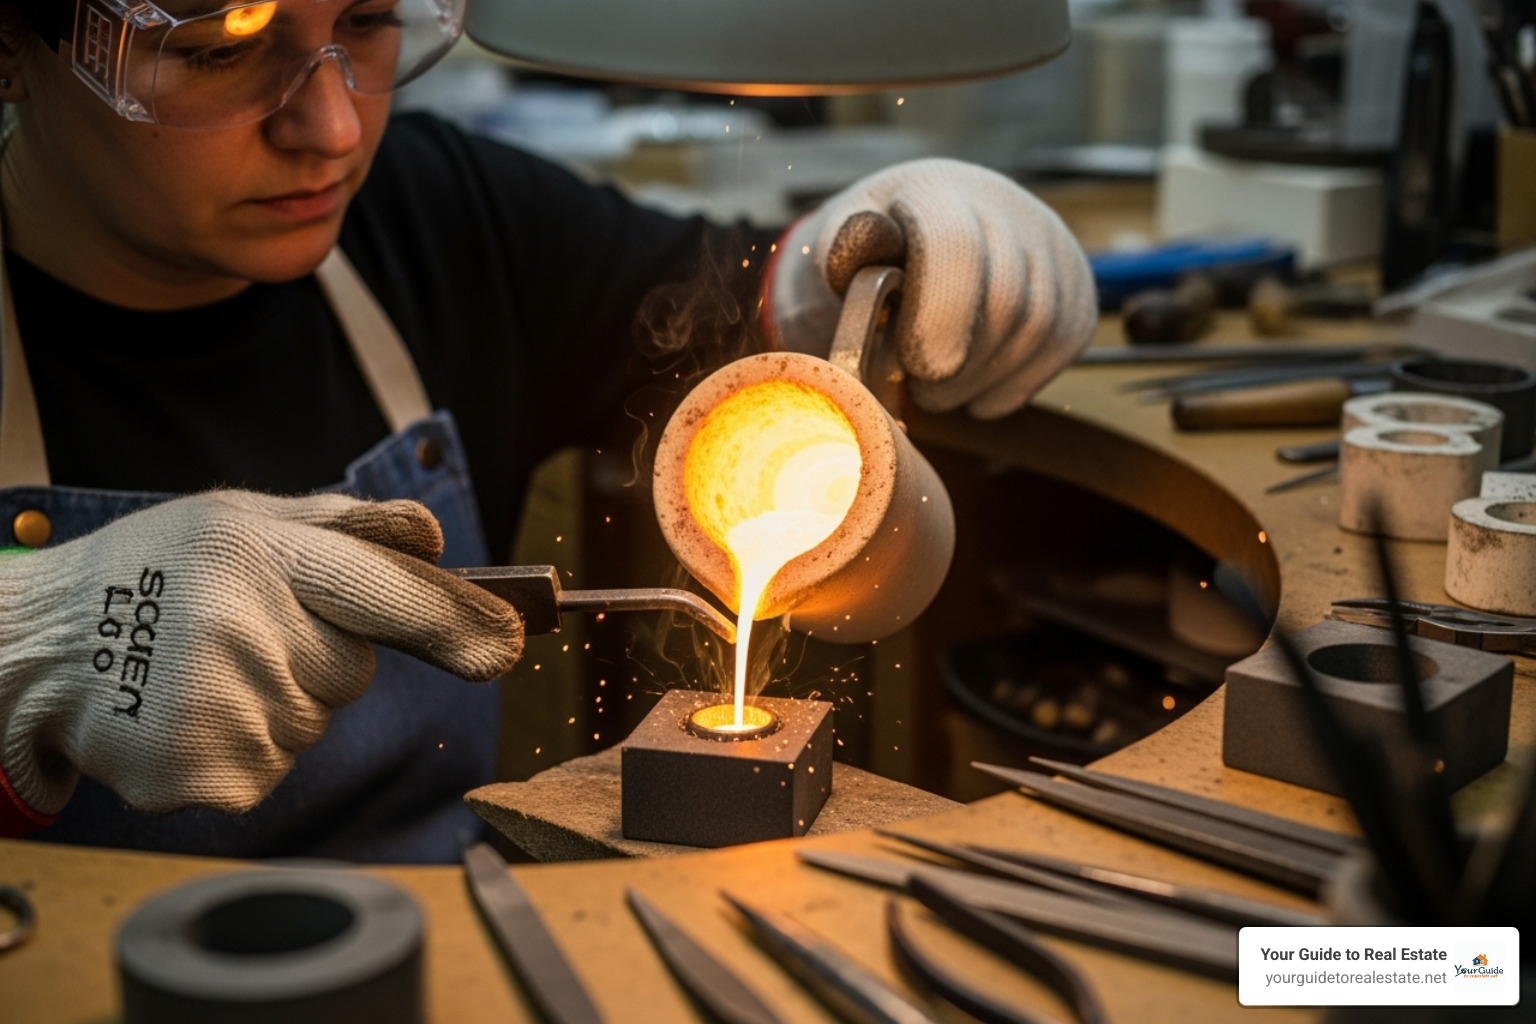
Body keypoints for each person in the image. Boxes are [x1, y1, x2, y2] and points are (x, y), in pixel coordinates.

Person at [0, 0, 1096, 862]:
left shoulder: (444, 221)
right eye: (218, 49)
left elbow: (742, 315)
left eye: (368, 22)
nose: (329, 128)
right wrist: (24, 634)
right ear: (17, 44)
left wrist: (874, 257)